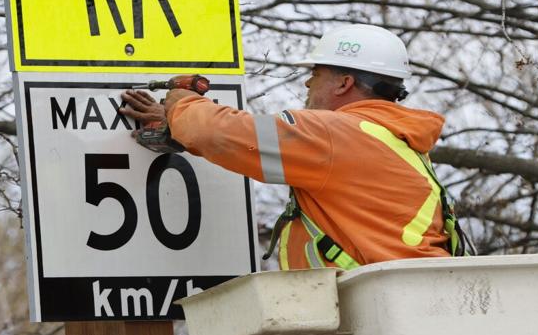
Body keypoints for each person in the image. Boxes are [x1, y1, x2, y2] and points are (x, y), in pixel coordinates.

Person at [119, 24, 466, 270]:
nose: (307, 83)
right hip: (409, 301)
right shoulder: (395, 141)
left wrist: (181, 104)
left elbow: (221, 134)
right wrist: (176, 122)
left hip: (377, 312)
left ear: (344, 83)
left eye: (316, 74)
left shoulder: (333, 134)